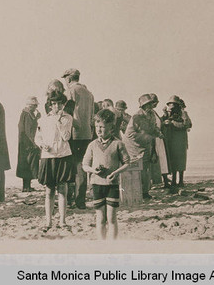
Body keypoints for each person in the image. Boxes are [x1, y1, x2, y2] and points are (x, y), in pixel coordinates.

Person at [82, 109, 130, 240]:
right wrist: (93, 170)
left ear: (111, 127)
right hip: (96, 185)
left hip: (112, 185)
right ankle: (101, 245)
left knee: (111, 218)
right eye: (97, 126)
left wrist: (115, 173)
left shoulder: (118, 144)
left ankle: (112, 245)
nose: (98, 130)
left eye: (102, 127)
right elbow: (84, 165)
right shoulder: (92, 145)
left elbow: (127, 163)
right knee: (100, 218)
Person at [36, 91, 74, 230]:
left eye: (59, 103)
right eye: (53, 104)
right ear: (50, 105)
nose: (56, 106)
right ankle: (48, 222)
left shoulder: (68, 118)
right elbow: (38, 137)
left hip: (63, 155)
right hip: (48, 157)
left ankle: (63, 221)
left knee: (63, 189)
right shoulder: (43, 119)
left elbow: (66, 137)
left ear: (63, 104)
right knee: (49, 190)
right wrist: (42, 145)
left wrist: (59, 122)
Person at [62, 68, 94, 209]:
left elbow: (66, 113)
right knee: (82, 166)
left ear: (69, 79)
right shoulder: (89, 93)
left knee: (70, 166)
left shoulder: (70, 91)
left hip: (73, 134)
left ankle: (69, 200)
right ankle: (80, 200)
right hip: (86, 134)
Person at [123, 94, 162, 199]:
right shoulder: (136, 117)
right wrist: (147, 137)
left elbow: (154, 127)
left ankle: (144, 192)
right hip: (133, 147)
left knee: (146, 169)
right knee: (136, 170)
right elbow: (130, 134)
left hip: (145, 146)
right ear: (143, 106)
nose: (150, 106)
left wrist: (158, 133)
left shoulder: (151, 115)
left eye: (151, 104)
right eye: (148, 104)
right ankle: (137, 192)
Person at [162, 95, 192, 188]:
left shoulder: (183, 113)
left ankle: (181, 180)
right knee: (173, 161)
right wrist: (165, 116)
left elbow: (187, 124)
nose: (171, 106)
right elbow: (161, 123)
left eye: (173, 104)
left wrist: (172, 123)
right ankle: (174, 180)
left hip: (180, 141)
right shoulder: (168, 114)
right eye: (170, 104)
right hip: (171, 141)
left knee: (181, 162)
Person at [16, 96, 41, 192]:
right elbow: (29, 130)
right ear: (30, 106)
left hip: (24, 144)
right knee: (28, 165)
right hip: (27, 145)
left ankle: (27, 186)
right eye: (34, 105)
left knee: (26, 165)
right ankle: (26, 187)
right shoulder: (27, 114)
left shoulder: (26, 114)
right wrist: (34, 143)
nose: (35, 107)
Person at [149, 93, 169, 188]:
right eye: (155, 102)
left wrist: (164, 117)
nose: (156, 104)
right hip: (154, 139)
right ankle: (159, 181)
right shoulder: (150, 113)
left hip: (158, 138)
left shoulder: (153, 112)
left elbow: (158, 122)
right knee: (156, 159)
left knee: (162, 159)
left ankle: (165, 181)